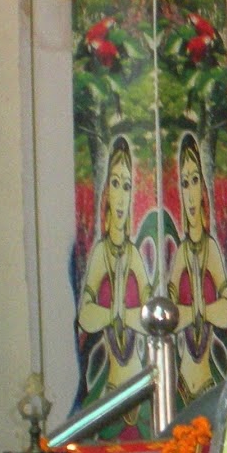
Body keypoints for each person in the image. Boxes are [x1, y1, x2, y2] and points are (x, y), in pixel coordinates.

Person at [76, 135, 151, 393]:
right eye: (116, 184)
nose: (120, 198)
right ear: (107, 191)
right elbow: (85, 316)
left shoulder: (134, 255)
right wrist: (115, 314)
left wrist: (120, 315)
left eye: (127, 186)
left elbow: (150, 319)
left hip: (142, 388)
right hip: (110, 391)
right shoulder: (100, 252)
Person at [166, 132, 227, 398]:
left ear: (203, 188)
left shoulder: (211, 249)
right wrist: (201, 312)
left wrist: (197, 311)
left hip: (209, 384)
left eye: (195, 180)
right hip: (180, 385)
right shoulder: (181, 253)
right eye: (185, 183)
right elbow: (170, 318)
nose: (191, 193)